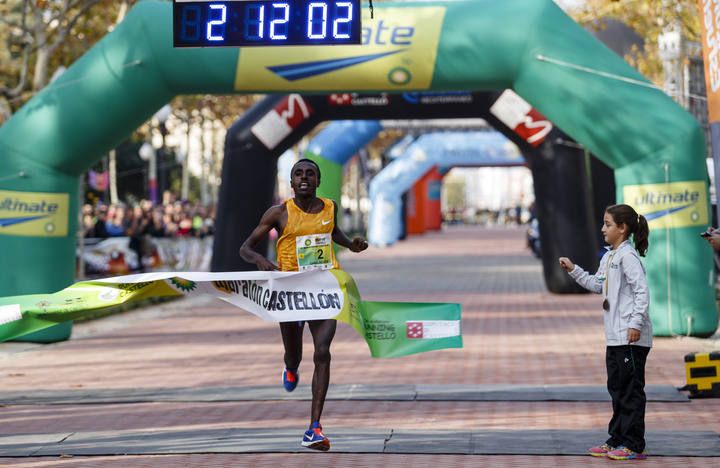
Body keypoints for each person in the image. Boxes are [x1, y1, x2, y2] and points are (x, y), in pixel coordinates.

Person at [239, 158, 368, 451]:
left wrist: (351, 245)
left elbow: (332, 232)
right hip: (290, 292)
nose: (304, 177)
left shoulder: (330, 207)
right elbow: (245, 248)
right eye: (298, 174)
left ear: (318, 181)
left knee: (323, 352)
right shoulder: (279, 213)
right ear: (291, 182)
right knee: (294, 354)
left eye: (310, 173)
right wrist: (260, 260)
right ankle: (290, 367)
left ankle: (314, 428)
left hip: (324, 288)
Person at [558, 204, 651, 461]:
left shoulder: (628, 257)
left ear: (622, 228)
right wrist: (574, 269)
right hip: (614, 337)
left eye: (607, 224)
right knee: (617, 389)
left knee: (631, 391)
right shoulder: (610, 256)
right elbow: (597, 284)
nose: (602, 229)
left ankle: (633, 443)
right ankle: (617, 438)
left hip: (631, 338)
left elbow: (642, 292)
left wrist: (635, 324)